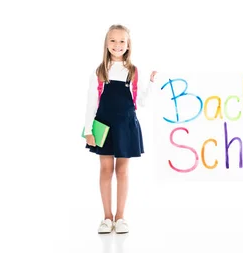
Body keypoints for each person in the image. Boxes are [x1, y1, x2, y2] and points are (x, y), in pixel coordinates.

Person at [83, 24, 157, 234]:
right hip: (103, 126)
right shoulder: (100, 71)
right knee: (105, 170)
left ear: (128, 44)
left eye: (122, 41)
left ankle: (120, 217)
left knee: (122, 171)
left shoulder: (133, 72)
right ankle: (107, 218)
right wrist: (89, 130)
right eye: (113, 41)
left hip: (126, 126)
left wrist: (151, 83)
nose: (117, 45)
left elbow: (140, 101)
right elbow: (92, 103)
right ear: (107, 44)